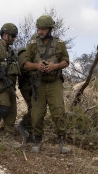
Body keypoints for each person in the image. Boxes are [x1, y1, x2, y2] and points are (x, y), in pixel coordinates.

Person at [23, 15, 71, 154]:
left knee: (58, 112)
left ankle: (62, 140)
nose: (40, 31)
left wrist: (54, 66)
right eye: (38, 29)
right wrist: (37, 66)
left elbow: (66, 61)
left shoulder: (59, 43)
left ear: (50, 29)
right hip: (38, 84)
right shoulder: (32, 44)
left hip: (54, 83)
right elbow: (25, 64)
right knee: (37, 114)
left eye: (43, 29)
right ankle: (37, 140)